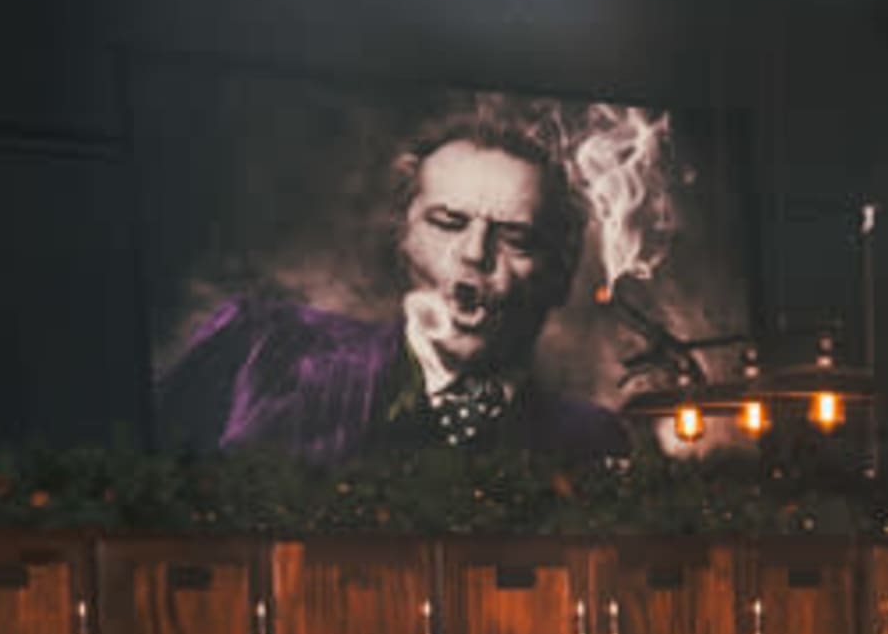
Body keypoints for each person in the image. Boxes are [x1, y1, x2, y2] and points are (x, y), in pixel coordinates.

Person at [156, 122, 635, 463]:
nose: (475, 253)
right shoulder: (261, 350)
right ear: (401, 239)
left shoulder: (591, 440)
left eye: (516, 238)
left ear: (558, 275)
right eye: (448, 223)